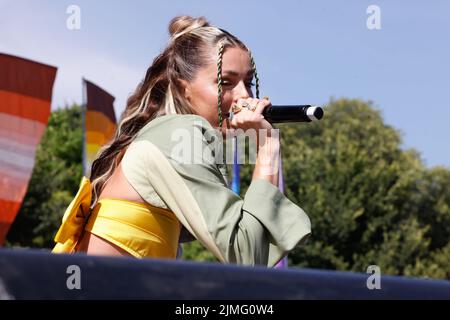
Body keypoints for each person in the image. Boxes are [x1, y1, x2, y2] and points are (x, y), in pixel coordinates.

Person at [52, 15, 311, 267]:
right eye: (226, 82)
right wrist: (267, 145)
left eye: (248, 82)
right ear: (183, 88)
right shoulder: (179, 133)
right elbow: (246, 254)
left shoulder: (162, 135)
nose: (244, 96)